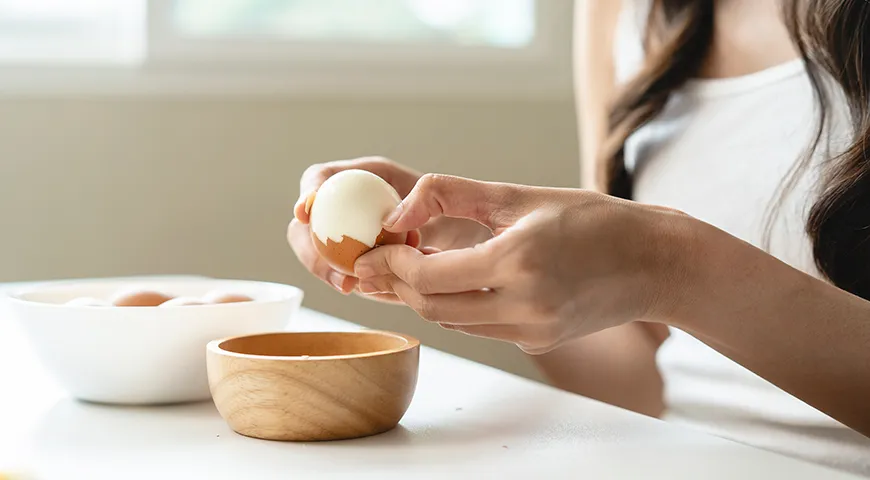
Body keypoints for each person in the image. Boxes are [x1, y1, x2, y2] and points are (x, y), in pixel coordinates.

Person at [288, 0, 870, 475]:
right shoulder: (621, 11)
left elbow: (668, 277)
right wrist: (476, 254)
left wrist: (671, 261)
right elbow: (646, 382)